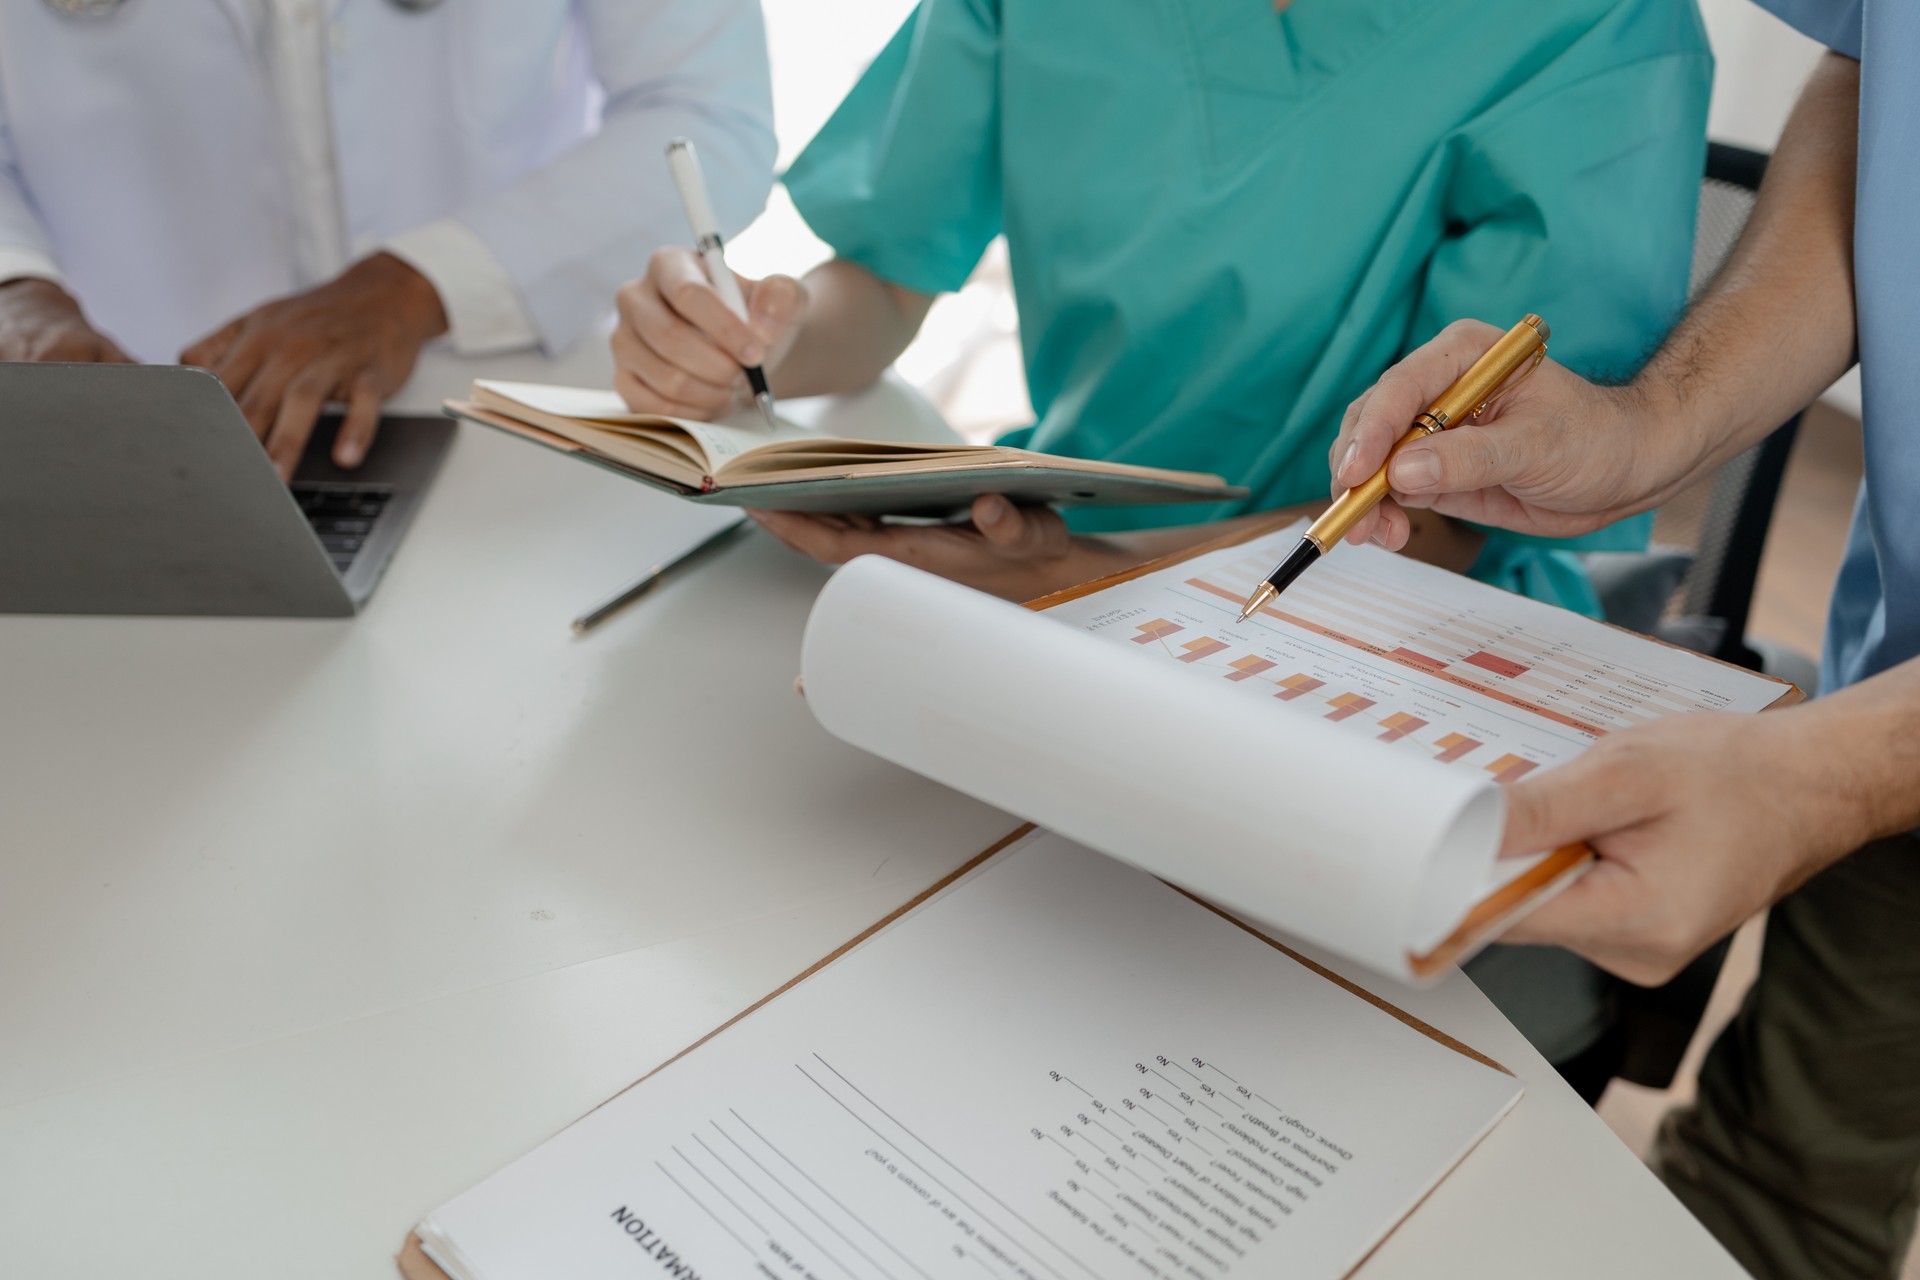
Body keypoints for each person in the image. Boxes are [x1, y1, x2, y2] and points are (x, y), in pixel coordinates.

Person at [612, 0, 1712, 1082]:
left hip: (1396, 629)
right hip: (1037, 578)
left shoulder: (1594, 26)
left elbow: (1472, 499)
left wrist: (1097, 576)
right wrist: (752, 339)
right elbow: (886, 277)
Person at [1329, 7, 1918, 1275]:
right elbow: (1886, 80)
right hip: (1899, 659)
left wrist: (1841, 768)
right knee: (1776, 1187)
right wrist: (1653, 424)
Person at [0, 0, 775, 479]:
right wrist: (15, 286)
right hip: (136, 416)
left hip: (511, 415)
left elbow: (707, 113)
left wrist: (426, 283)